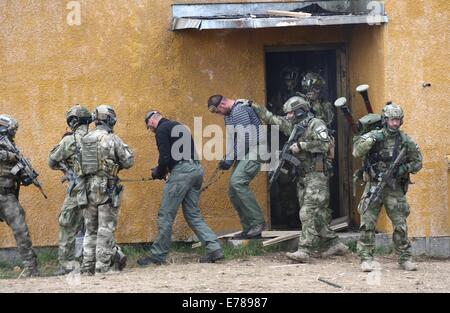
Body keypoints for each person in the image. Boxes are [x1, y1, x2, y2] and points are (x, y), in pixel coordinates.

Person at [249, 96, 348, 263]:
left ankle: (304, 250)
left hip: (317, 176)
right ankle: (335, 243)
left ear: (300, 111)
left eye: (290, 113)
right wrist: (254, 106)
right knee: (318, 216)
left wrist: (302, 146)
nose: (288, 116)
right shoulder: (296, 126)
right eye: (287, 114)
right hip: (304, 176)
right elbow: (273, 119)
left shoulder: (316, 124)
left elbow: (325, 145)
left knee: (307, 212)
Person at [137, 111, 223, 265]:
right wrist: (165, 169)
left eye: (149, 126)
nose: (150, 130)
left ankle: (157, 256)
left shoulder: (162, 129)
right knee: (192, 214)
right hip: (196, 169)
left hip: (182, 173)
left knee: (166, 214)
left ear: (152, 121)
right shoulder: (178, 126)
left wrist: (159, 171)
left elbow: (164, 157)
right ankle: (214, 248)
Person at [353, 102, 422, 272]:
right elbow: (356, 151)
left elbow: (418, 162)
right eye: (392, 120)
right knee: (367, 224)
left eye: (398, 120)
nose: (395, 123)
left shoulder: (405, 141)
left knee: (400, 225)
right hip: (373, 186)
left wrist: (402, 169)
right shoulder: (374, 136)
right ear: (385, 120)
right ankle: (366, 258)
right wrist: (370, 139)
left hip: (394, 189)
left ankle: (405, 258)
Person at [78, 105, 134, 275]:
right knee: (105, 229)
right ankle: (102, 267)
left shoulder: (85, 139)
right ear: (108, 119)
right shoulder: (112, 139)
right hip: (106, 188)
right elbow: (128, 161)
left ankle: (87, 267)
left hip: (87, 188)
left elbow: (79, 165)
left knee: (90, 229)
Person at [207, 95, 266, 239]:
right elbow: (234, 140)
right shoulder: (228, 115)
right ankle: (249, 229)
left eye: (217, 112)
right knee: (233, 191)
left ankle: (258, 223)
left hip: (256, 148)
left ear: (222, 105)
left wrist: (230, 158)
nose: (218, 115)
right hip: (244, 151)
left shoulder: (239, 110)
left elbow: (245, 138)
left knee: (237, 181)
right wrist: (227, 158)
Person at [48, 105, 91, 275]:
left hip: (77, 190)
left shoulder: (69, 140)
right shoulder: (99, 137)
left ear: (73, 121)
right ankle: (112, 257)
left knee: (67, 223)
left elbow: (51, 161)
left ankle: (67, 264)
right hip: (98, 188)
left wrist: (66, 169)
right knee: (97, 225)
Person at [0, 115, 39, 277]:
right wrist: (11, 157)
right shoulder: (7, 150)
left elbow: (23, 177)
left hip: (7, 196)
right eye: (11, 131)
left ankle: (31, 268)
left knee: (21, 230)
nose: (13, 134)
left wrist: (26, 173)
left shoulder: (12, 149)